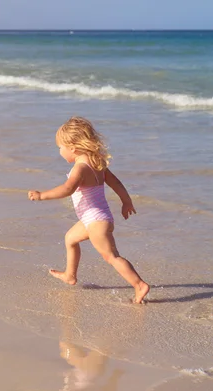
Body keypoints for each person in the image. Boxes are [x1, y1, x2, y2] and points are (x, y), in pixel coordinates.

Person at [28, 116, 150, 304]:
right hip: (94, 218)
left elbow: (67, 189)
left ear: (73, 147)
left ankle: (139, 284)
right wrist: (126, 201)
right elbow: (116, 183)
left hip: (95, 222)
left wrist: (42, 195)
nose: (60, 152)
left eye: (60, 148)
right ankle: (70, 275)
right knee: (70, 239)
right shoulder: (97, 163)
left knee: (112, 257)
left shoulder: (81, 168)